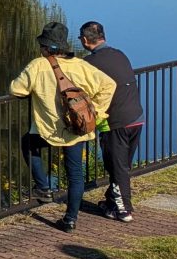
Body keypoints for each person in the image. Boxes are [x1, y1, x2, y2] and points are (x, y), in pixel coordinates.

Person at [10, 21, 116, 232]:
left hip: (49, 129)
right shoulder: (80, 65)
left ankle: (43, 187)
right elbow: (109, 85)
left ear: (45, 46)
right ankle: (70, 220)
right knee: (75, 174)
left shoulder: (38, 65)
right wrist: (96, 112)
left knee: (29, 143)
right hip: (77, 128)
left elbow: (16, 89)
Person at [80, 21, 144, 223]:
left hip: (116, 122)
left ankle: (123, 210)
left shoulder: (89, 63)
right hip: (136, 117)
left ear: (84, 40)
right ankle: (110, 201)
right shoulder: (119, 54)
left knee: (117, 168)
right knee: (122, 164)